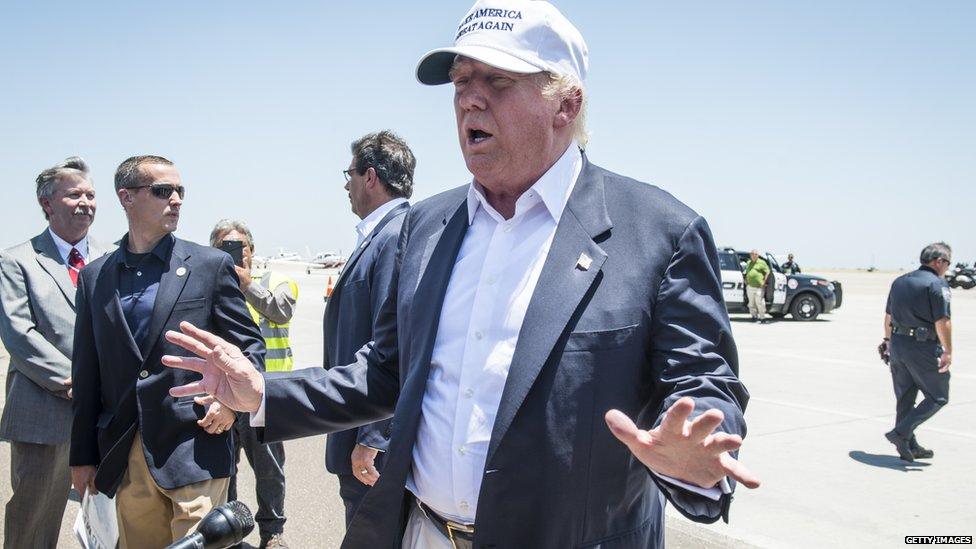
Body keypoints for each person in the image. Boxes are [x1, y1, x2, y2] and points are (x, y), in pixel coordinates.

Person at [163, 2, 758, 548]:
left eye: (497, 82)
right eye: (460, 84)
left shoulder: (658, 232)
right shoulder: (425, 226)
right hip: (420, 532)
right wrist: (263, 393)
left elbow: (703, 384)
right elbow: (388, 372)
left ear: (565, 103)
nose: (470, 100)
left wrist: (697, 451)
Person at [69, 155, 265, 548]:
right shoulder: (95, 278)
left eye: (180, 191)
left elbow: (250, 346)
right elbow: (86, 373)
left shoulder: (209, 265)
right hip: (127, 451)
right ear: (126, 197)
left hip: (196, 443)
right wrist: (82, 455)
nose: (175, 199)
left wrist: (231, 406)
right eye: (162, 191)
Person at [0, 157, 113, 549]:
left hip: (106, 412)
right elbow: (19, 334)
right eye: (74, 194)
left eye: (91, 194)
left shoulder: (113, 258)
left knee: (112, 517)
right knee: (34, 519)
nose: (86, 202)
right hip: (43, 410)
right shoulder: (17, 260)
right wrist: (78, 383)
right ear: (47, 203)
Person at [327, 131, 413, 525]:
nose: (346, 185)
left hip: (370, 445)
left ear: (371, 177)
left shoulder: (395, 235)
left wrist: (372, 439)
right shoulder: (380, 235)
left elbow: (391, 346)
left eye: (350, 174)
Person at [211, 219, 296, 549]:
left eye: (239, 246)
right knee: (223, 466)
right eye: (223, 247)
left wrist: (246, 284)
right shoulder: (210, 283)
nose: (233, 252)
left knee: (269, 468)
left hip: (267, 393)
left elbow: (281, 311)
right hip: (224, 396)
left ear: (252, 250)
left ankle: (272, 532)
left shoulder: (276, 280)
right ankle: (228, 531)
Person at [880, 242, 953, 462]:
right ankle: (901, 433)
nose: (947, 268)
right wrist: (947, 350)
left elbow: (888, 318)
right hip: (922, 346)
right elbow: (943, 321)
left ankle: (908, 446)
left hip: (899, 344)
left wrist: (888, 342)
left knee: (905, 397)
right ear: (938, 261)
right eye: (947, 263)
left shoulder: (899, 282)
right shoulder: (937, 284)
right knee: (938, 396)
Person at [745, 249, 771, 323]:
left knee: (759, 302)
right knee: (751, 303)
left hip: (759, 287)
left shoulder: (762, 263)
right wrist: (746, 279)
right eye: (752, 254)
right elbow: (747, 272)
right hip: (750, 286)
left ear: (758, 255)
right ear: (750, 255)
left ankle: (762, 318)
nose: (754, 255)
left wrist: (764, 282)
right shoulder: (748, 263)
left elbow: (767, 272)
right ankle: (754, 316)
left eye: (755, 254)